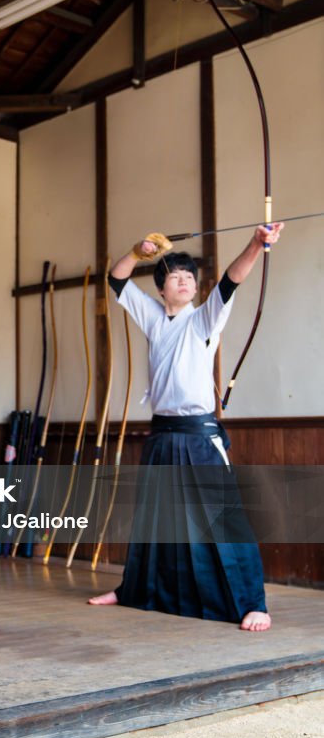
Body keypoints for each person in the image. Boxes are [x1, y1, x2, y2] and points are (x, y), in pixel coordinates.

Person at [88, 223, 284, 632]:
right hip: (162, 435)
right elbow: (116, 278)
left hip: (198, 436)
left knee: (223, 519)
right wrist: (137, 251)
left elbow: (231, 280)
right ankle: (133, 591)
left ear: (196, 290)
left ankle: (253, 604)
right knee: (153, 520)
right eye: (175, 276)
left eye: (189, 278)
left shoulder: (204, 320)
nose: (184, 281)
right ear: (161, 289)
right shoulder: (154, 318)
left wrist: (255, 244)